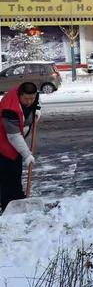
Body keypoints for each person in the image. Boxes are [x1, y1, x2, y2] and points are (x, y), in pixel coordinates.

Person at [0, 82, 40, 212]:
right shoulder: (9, 109)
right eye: (26, 99)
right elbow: (14, 136)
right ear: (19, 95)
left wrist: (37, 108)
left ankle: (17, 199)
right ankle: (7, 207)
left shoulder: (30, 93)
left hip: (14, 143)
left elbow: (36, 101)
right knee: (8, 176)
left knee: (15, 174)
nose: (29, 102)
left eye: (32, 98)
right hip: (3, 143)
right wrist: (27, 154)